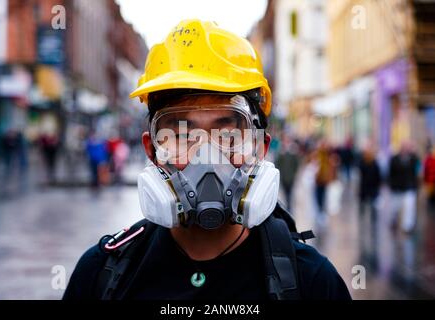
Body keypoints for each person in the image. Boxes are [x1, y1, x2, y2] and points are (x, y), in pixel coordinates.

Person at [64, 20, 351, 300]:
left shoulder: (311, 281)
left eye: (228, 134)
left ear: (261, 148)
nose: (207, 156)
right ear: (151, 151)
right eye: (182, 134)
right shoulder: (101, 274)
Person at [388, 141, 420, 234]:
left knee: (409, 208)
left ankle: (407, 226)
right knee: (395, 208)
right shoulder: (394, 159)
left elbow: (418, 170)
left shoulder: (413, 159)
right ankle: (394, 220)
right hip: (397, 188)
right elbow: (391, 173)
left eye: (408, 147)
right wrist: (392, 185)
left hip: (409, 188)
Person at [276, 134, 300, 211]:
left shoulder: (293, 151)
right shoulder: (281, 151)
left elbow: (296, 164)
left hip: (291, 177)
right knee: (285, 194)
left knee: (290, 194)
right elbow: (277, 163)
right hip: (284, 178)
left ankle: (289, 208)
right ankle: (287, 207)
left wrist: (294, 174)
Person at [357, 146, 382, 221]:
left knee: (373, 203)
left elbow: (378, 175)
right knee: (363, 201)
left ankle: (373, 216)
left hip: (372, 186)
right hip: (365, 185)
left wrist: (378, 185)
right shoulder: (362, 162)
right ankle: (362, 214)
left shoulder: (375, 163)